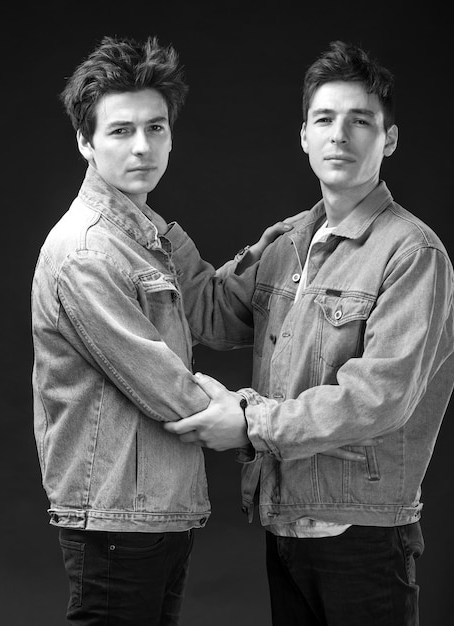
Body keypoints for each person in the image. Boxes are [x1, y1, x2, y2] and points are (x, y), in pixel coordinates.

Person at [163, 40, 454, 625]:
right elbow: (210, 312)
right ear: (304, 135)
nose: (339, 135)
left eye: (361, 121)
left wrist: (249, 424)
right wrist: (142, 217)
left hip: (363, 534)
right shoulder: (290, 241)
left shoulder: (412, 253)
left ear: (389, 140)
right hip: (287, 521)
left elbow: (378, 396)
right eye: (325, 119)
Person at [30, 34, 310, 625]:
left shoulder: (144, 233)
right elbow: (163, 386)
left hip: (156, 509)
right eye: (121, 131)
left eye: (156, 128)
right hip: (114, 517)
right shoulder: (87, 252)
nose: (143, 147)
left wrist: (301, 230)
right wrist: (254, 416)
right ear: (84, 141)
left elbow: (213, 311)